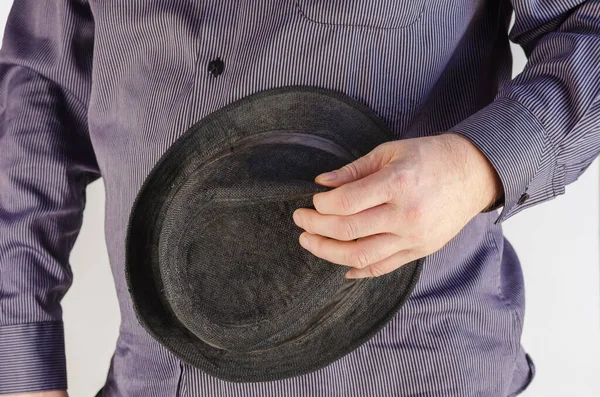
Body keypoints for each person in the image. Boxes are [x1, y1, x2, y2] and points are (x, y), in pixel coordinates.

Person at [0, 0, 599, 396]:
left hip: (413, 369)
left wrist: (479, 166)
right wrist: (22, 355)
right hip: (151, 376)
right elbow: (42, 82)